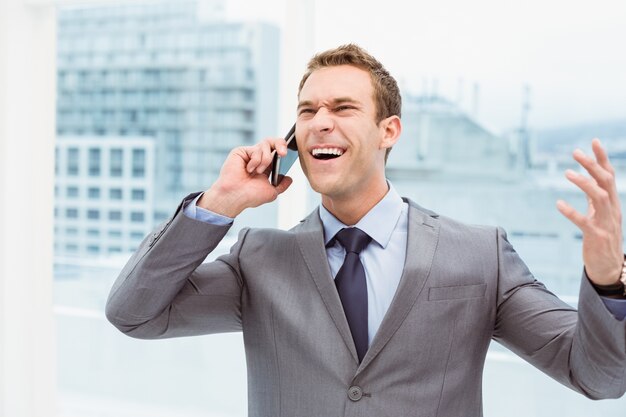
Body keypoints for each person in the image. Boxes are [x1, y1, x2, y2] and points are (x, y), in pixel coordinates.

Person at [106, 44, 626, 416]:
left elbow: (598, 377)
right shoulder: (259, 258)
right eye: (307, 111)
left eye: (343, 108)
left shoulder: (479, 254)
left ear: (388, 131)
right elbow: (133, 314)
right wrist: (220, 203)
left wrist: (606, 281)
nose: (319, 122)